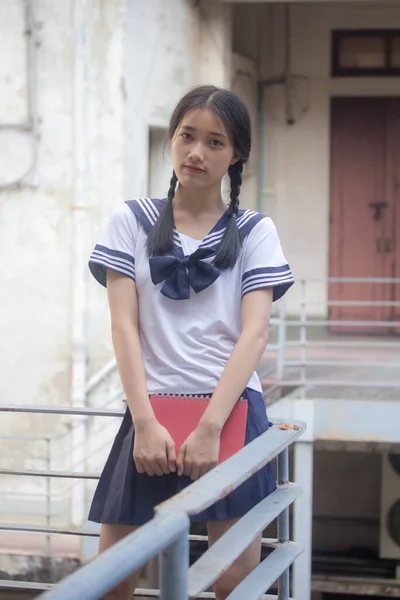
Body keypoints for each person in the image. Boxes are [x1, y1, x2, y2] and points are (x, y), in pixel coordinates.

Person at [88, 84, 294, 600]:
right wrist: (143, 421)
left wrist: (209, 427)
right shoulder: (130, 221)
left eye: (215, 142)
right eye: (187, 136)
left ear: (237, 154)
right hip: (148, 412)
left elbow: (255, 332)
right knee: (111, 580)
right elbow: (123, 327)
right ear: (173, 140)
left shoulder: (254, 230)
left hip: (229, 414)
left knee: (232, 582)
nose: (197, 152)